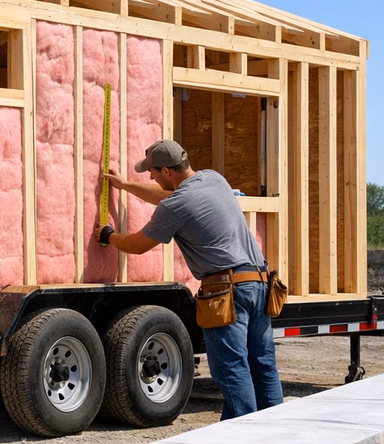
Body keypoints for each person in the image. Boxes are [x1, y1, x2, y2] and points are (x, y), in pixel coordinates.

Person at [101, 139, 283, 420]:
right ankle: (278, 435)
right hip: (259, 282)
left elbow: (138, 244)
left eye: (151, 171)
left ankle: (244, 442)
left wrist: (109, 236)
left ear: (166, 172)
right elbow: (167, 198)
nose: (149, 175)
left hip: (228, 291)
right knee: (262, 364)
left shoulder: (176, 205)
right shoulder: (213, 179)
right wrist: (125, 186)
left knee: (231, 369)